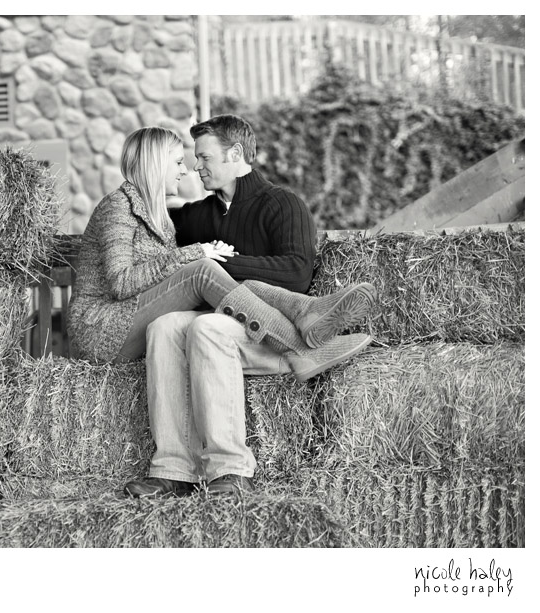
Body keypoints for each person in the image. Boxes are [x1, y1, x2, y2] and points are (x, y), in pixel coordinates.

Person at [66, 122, 376, 496]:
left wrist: (219, 265)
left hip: (244, 331)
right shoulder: (171, 214)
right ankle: (300, 344)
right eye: (184, 160)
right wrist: (200, 256)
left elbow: (295, 271)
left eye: (202, 157)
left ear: (235, 155)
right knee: (182, 309)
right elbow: (136, 276)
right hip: (113, 323)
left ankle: (201, 469)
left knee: (181, 323)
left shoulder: (282, 203)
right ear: (155, 166)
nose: (192, 168)